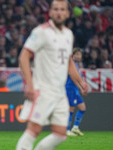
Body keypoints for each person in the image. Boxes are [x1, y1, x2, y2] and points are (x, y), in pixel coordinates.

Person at [16, 0, 89, 150]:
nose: (59, 12)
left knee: (61, 134)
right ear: (50, 12)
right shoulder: (41, 32)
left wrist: (81, 83)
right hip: (42, 90)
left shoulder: (68, 34)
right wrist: (29, 85)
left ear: (68, 13)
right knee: (34, 130)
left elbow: (69, 62)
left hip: (60, 92)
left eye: (62, 9)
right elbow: (24, 56)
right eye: (55, 9)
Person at [66, 48, 86, 136]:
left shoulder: (76, 65)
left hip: (75, 90)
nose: (78, 56)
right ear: (72, 55)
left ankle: (75, 128)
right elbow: (73, 78)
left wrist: (81, 87)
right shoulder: (71, 64)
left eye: (80, 54)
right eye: (76, 54)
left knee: (82, 108)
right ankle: (66, 130)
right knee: (71, 108)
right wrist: (80, 87)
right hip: (70, 88)